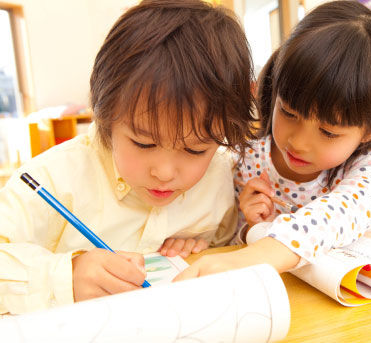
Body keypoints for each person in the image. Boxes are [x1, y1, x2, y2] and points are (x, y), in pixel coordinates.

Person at [0, 0, 254, 314]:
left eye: (194, 150)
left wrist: (202, 249)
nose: (163, 172)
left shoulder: (224, 174)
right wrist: (68, 275)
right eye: (144, 143)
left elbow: (226, 248)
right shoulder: (51, 179)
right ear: (105, 116)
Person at [174, 0, 371, 280]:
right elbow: (228, 246)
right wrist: (248, 227)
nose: (299, 143)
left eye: (329, 132)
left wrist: (256, 254)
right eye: (289, 112)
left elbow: (342, 212)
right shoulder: (250, 157)